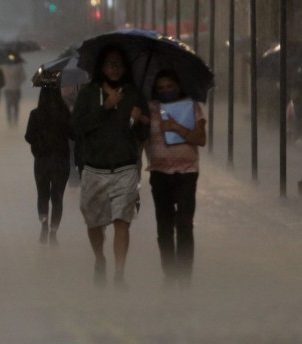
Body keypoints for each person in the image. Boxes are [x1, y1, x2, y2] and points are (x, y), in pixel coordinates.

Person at [73, 46, 149, 288]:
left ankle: (119, 274)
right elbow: (78, 127)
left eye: (119, 64)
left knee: (122, 221)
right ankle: (99, 259)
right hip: (95, 168)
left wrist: (140, 121)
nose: (114, 69)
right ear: (101, 68)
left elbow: (143, 133)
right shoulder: (88, 93)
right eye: (109, 64)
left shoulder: (134, 94)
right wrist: (105, 107)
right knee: (94, 223)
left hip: (125, 168)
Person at [145, 69, 206, 288]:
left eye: (170, 87)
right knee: (164, 226)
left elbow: (200, 139)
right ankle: (169, 274)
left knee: (184, 225)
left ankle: (184, 276)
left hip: (187, 172)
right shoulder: (149, 109)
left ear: (178, 86)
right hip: (159, 173)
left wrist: (175, 127)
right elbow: (139, 136)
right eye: (161, 88)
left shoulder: (191, 107)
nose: (166, 91)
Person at [24, 86, 75, 245]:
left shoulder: (35, 114)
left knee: (43, 194)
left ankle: (44, 223)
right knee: (57, 196)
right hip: (61, 160)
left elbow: (28, 136)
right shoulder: (64, 112)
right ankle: (54, 231)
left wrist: (40, 143)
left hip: (42, 159)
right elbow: (73, 134)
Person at [2, 62, 26, 126]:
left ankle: (9, 121)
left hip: (7, 89)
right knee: (16, 106)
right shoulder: (19, 66)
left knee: (8, 106)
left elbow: (1, 77)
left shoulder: (4, 66)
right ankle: (15, 121)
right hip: (16, 88)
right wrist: (18, 82)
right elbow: (23, 78)